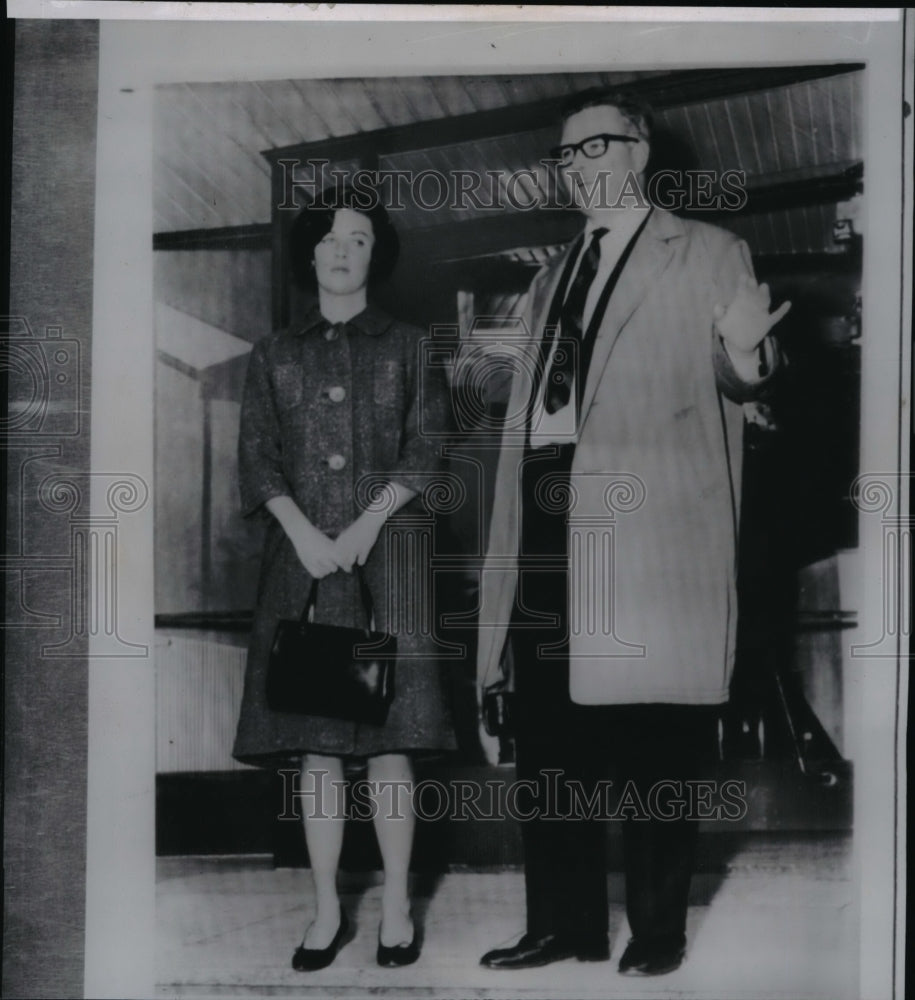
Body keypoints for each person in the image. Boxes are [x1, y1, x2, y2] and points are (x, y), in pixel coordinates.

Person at [477, 88, 789, 976]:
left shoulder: (708, 249)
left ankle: (655, 932)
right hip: (543, 509)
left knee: (655, 731)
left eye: (598, 147)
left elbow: (748, 377)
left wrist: (745, 354)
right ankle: (563, 924)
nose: (581, 167)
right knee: (547, 735)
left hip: (642, 520)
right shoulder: (549, 276)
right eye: (567, 155)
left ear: (640, 152)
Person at [232, 186, 454, 971]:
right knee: (317, 752)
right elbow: (257, 460)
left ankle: (395, 906)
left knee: (392, 746)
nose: (340, 249)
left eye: (357, 238)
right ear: (309, 253)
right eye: (327, 237)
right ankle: (325, 910)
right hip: (304, 572)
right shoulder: (272, 353)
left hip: (388, 565)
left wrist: (362, 527)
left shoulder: (411, 344)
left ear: (373, 255)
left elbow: (427, 446)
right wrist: (303, 535)